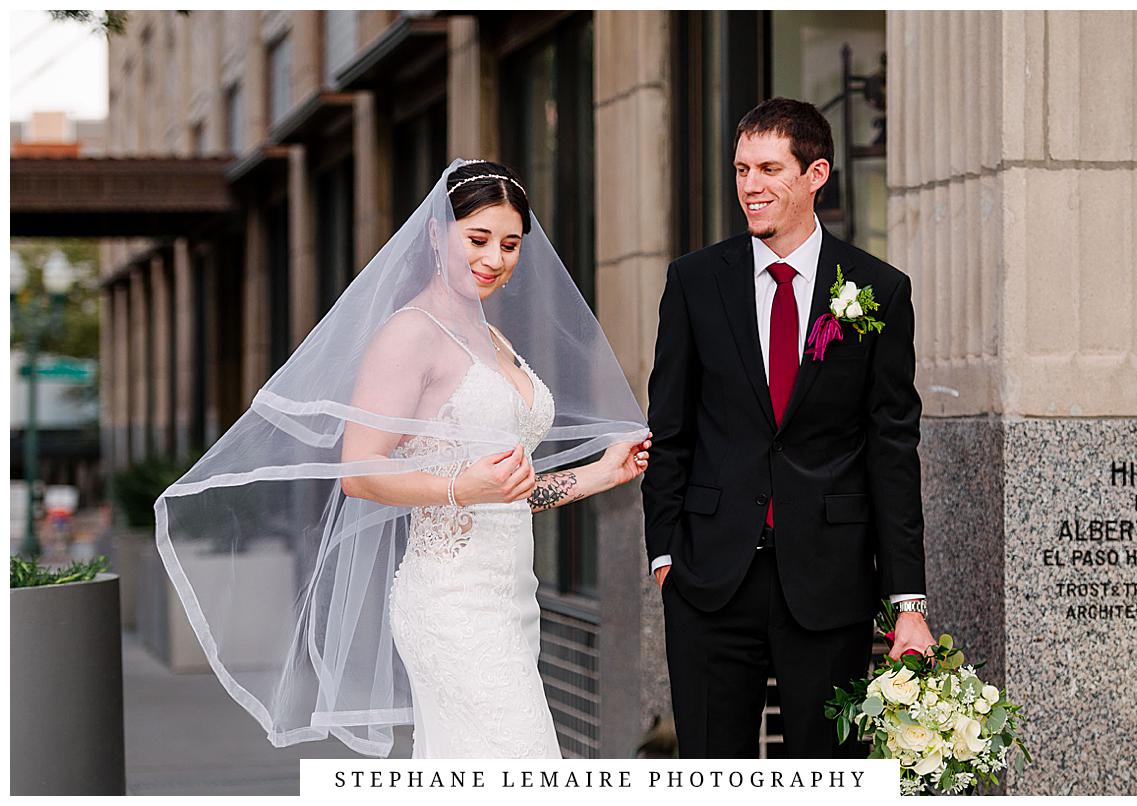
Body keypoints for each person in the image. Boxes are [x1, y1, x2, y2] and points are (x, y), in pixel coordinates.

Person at [155, 159, 649, 759]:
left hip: (513, 598)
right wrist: (458, 490)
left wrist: (604, 471)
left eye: (511, 243)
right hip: (450, 604)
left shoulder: (495, 340)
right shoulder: (410, 334)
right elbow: (360, 471)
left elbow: (508, 491)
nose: (495, 258)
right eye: (477, 239)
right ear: (436, 236)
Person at [642, 97, 934, 759]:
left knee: (826, 772)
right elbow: (671, 427)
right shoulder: (693, 282)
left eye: (770, 168)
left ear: (816, 174)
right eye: (742, 168)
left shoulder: (877, 290)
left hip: (829, 580)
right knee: (713, 771)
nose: (750, 185)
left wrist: (907, 600)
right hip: (709, 577)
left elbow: (892, 448)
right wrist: (664, 555)